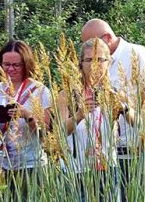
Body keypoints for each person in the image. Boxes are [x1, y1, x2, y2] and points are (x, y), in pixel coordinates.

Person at [80, 19, 145, 201]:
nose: (88, 48)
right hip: (106, 152)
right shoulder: (92, 63)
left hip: (135, 146)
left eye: (93, 43)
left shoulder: (137, 54)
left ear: (107, 38)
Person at [57, 38, 127, 201]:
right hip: (77, 171)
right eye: (88, 60)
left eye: (99, 59)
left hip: (107, 168)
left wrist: (122, 107)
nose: (94, 64)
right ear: (80, 63)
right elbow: (59, 133)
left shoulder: (115, 92)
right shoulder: (68, 94)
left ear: (108, 62)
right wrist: (80, 114)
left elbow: (136, 122)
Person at [0, 40, 51, 192]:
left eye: (17, 65)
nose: (11, 69)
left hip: (31, 165)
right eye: (6, 64)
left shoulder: (40, 91)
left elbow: (46, 133)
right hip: (2, 163)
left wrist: (26, 115)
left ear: (26, 64)